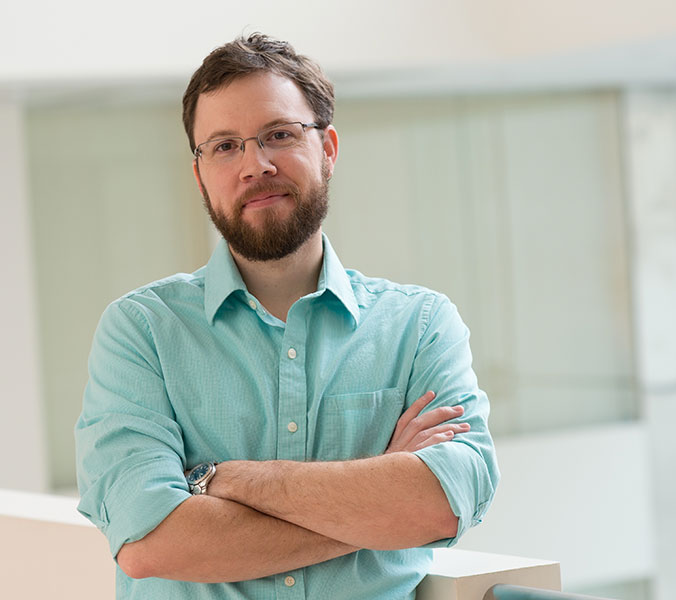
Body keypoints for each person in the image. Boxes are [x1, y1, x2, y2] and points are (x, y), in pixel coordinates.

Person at [76, 33, 499, 599]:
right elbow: (154, 542)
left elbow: (444, 502)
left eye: (279, 134)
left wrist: (227, 479)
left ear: (327, 149)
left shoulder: (420, 326)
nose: (257, 164)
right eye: (225, 146)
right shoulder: (143, 331)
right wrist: (375, 498)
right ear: (200, 175)